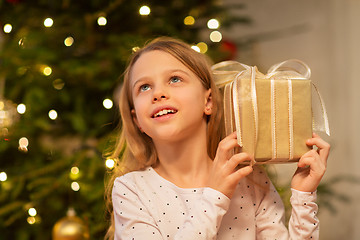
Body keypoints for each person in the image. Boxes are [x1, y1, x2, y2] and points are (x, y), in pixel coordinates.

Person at [104, 37, 330, 240]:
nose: (158, 93)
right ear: (136, 120)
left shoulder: (251, 182)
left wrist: (303, 196)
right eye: (144, 87)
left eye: (174, 79)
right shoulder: (131, 190)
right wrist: (215, 195)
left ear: (208, 101)